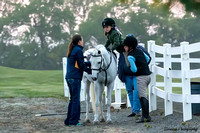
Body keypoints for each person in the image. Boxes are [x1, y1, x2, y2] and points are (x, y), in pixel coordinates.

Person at [64, 34, 91, 126]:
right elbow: (81, 65)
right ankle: (74, 121)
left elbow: (79, 63)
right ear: (79, 41)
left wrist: (89, 63)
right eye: (82, 40)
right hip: (75, 78)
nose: (83, 41)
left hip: (69, 77)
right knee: (76, 100)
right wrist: (90, 70)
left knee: (72, 99)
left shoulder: (72, 50)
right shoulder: (78, 50)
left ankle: (68, 120)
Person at [123, 35, 152, 123]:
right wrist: (142, 65)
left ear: (130, 46)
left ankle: (146, 117)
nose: (124, 47)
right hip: (148, 76)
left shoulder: (130, 56)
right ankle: (146, 116)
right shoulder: (139, 50)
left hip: (141, 78)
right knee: (143, 96)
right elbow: (147, 59)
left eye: (125, 46)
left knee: (142, 97)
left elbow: (134, 69)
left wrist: (131, 68)